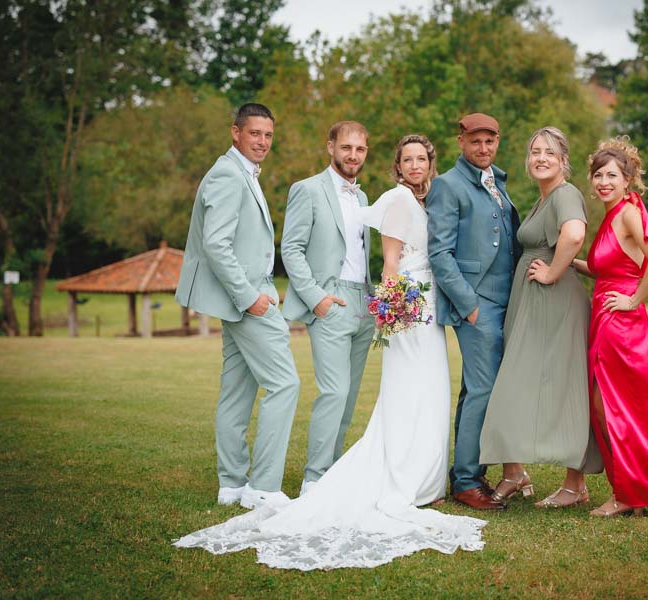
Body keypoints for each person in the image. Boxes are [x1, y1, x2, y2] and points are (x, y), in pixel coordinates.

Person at [173, 135, 486, 571]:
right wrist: (337, 300)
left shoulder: (395, 198)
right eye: (407, 159)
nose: (414, 165)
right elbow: (308, 250)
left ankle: (400, 474)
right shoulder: (354, 194)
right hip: (383, 303)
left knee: (395, 393)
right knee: (338, 391)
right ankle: (315, 480)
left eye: (421, 158)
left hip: (377, 300)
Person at [175, 103, 299, 510]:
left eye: (268, 135)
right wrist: (250, 298)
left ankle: (231, 485)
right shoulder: (229, 174)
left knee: (236, 393)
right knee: (285, 384)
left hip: (246, 297)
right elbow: (215, 244)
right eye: (255, 134)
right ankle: (263, 486)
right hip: (247, 300)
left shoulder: (240, 172)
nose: (262, 142)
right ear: (236, 132)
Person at [479, 126, 602, 508]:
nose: (540, 158)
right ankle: (515, 472)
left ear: (564, 159)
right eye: (535, 152)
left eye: (549, 152)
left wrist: (551, 272)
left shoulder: (566, 194)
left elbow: (575, 234)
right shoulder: (543, 198)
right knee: (518, 382)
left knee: (563, 386)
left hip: (554, 302)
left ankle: (573, 484)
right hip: (531, 301)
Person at [572, 136, 648, 517]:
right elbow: (608, 269)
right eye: (598, 175)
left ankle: (626, 494)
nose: (603, 181)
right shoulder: (612, 215)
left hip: (621, 322)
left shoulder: (628, 212)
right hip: (607, 317)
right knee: (614, 407)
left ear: (627, 180)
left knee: (611, 408)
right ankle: (632, 491)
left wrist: (634, 299)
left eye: (611, 175)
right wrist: (565, 264)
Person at [427, 113, 522, 510]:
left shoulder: (497, 182)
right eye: (475, 141)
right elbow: (440, 252)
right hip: (477, 306)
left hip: (506, 303)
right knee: (483, 390)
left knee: (477, 390)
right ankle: (467, 481)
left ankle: (469, 473)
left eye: (490, 141)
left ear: (498, 141)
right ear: (461, 141)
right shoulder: (448, 186)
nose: (483, 149)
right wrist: (468, 306)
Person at [280, 121, 375, 496]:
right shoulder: (307, 190)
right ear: (330, 147)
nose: (353, 155)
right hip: (329, 299)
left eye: (360, 149)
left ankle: (332, 473)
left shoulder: (364, 198)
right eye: (346, 148)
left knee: (349, 398)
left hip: (364, 303)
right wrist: (317, 298)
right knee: (333, 392)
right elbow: (291, 249)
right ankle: (314, 479)